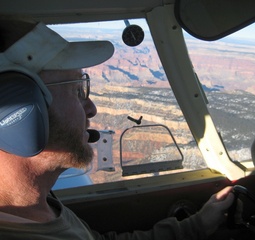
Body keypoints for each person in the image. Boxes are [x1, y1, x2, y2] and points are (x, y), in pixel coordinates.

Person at [0, 17, 234, 239]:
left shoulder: (37, 203)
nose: (91, 109)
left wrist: (197, 225)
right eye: (78, 91)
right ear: (19, 112)